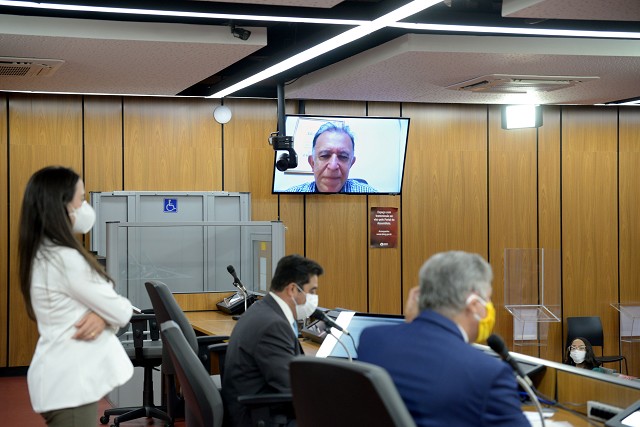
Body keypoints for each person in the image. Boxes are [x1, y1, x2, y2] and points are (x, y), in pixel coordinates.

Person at [18, 166, 135, 427]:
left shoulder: (44, 252)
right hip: (69, 385)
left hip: (62, 380)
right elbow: (121, 311)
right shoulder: (65, 259)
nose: (86, 207)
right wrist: (105, 315)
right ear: (62, 207)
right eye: (81, 199)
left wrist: (102, 316)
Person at [358, 251, 530, 427]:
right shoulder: (489, 373)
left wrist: (413, 322)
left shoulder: (371, 340)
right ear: (474, 305)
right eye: (487, 299)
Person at [222, 254, 324, 427]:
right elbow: (291, 388)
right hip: (261, 418)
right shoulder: (273, 326)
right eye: (312, 291)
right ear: (292, 289)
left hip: (253, 407)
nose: (314, 297)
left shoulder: (262, 309)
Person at [285, 122, 377, 193]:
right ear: (312, 163)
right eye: (324, 156)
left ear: (351, 164)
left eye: (343, 156)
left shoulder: (372, 196)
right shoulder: (289, 198)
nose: (333, 166)